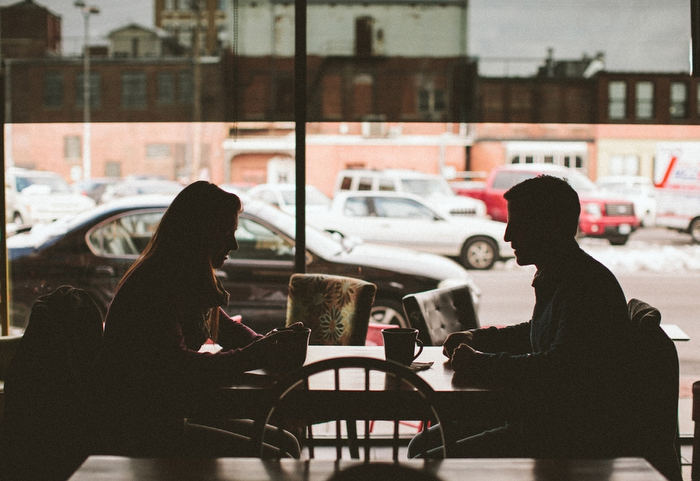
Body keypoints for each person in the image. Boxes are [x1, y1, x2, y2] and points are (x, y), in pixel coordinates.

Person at [408, 174, 642, 460]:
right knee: (420, 446)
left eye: (517, 225)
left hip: (569, 433)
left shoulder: (584, 284)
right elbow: (539, 333)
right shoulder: (566, 272)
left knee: (425, 455)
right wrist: (477, 337)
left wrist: (481, 363)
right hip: (548, 417)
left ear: (548, 227)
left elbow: (558, 366)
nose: (506, 236)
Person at [97, 181, 301, 458]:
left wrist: (264, 343)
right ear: (198, 234)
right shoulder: (157, 284)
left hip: (168, 412)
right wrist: (256, 355)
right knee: (282, 454)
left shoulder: (175, 271)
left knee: (286, 444)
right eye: (225, 233)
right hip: (143, 426)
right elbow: (178, 367)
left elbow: (223, 325)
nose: (234, 244)